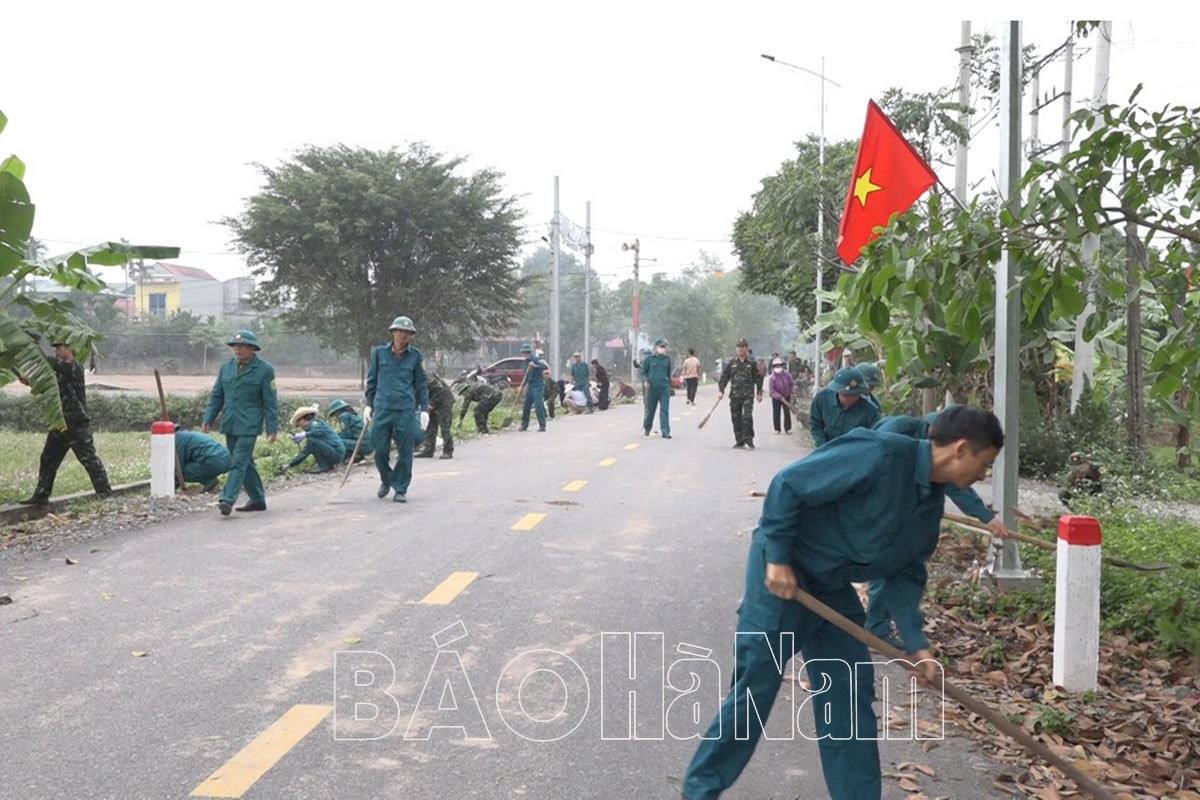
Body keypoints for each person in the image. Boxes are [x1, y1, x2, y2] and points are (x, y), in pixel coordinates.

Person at [682, 406, 1004, 800]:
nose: (983, 475)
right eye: (985, 463)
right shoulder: (878, 453)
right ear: (961, 449)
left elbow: (905, 574)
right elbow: (788, 484)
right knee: (757, 684)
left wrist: (916, 644)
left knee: (849, 690)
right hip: (784, 573)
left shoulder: (928, 508)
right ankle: (699, 790)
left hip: (830, 587)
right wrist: (778, 558)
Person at [866, 408, 1006, 643]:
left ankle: (879, 625)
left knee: (897, 565)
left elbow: (956, 486)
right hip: (877, 510)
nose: (983, 475)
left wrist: (986, 517)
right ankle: (873, 627)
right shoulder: (896, 435)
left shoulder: (939, 461)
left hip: (901, 516)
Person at [18, 341, 113, 505]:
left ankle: (105, 493)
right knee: (48, 458)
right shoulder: (60, 370)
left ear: (70, 349)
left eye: (59, 348)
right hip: (60, 421)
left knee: (88, 458)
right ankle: (41, 495)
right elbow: (47, 383)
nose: (56, 351)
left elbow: (54, 364)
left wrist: (34, 353)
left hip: (75, 422)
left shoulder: (74, 367)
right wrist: (28, 380)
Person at [203, 330, 279, 516]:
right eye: (235, 346)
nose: (237, 349)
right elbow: (217, 395)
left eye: (242, 346)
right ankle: (258, 499)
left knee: (238, 461)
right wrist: (208, 418)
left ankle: (227, 499)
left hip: (250, 424)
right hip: (230, 422)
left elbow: (270, 401)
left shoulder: (265, 370)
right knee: (245, 462)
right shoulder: (226, 368)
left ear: (252, 348)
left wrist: (272, 428)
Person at [364, 316, 430, 503]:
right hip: (383, 408)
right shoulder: (379, 353)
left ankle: (400, 488)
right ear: (393, 332)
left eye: (407, 332)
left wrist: (424, 409)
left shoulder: (416, 356)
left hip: (405, 409)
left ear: (411, 335)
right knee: (379, 449)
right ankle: (387, 479)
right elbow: (372, 380)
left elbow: (421, 384)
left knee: (405, 451)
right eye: (400, 331)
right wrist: (368, 404)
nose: (403, 335)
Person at [808, 367, 880, 447]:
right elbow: (815, 424)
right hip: (826, 447)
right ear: (837, 391)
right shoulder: (822, 398)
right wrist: (823, 446)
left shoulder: (870, 411)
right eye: (846, 395)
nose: (850, 399)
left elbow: (874, 438)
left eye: (855, 395)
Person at [717, 339, 764, 449]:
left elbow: (758, 378)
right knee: (735, 417)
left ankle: (748, 439)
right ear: (736, 349)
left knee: (747, 416)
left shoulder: (752, 363)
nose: (741, 349)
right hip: (735, 395)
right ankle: (739, 440)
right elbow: (724, 377)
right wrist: (721, 390)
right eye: (739, 347)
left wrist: (759, 392)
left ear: (746, 348)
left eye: (743, 347)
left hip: (748, 395)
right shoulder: (732, 363)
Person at [280, 405, 346, 474]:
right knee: (312, 442)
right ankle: (327, 465)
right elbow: (306, 451)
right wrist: (290, 465)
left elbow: (319, 432)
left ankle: (323, 466)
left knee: (311, 441)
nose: (300, 426)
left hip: (337, 453)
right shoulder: (314, 426)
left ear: (302, 420)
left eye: (298, 424)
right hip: (336, 452)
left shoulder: (315, 424)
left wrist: (305, 434)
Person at [173, 427, 231, 492]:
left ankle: (209, 481)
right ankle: (210, 481)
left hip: (213, 461)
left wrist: (172, 485)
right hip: (226, 458)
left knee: (182, 472)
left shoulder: (177, 440)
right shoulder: (185, 435)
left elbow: (178, 468)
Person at [416, 373, 455, 459]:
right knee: (430, 426)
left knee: (444, 426)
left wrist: (432, 405)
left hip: (444, 400)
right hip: (431, 399)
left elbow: (439, 390)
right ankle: (428, 450)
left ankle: (448, 451)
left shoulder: (425, 376)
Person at [640, 337, 672, 439]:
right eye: (661, 346)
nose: (663, 349)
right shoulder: (649, 359)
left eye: (664, 347)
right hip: (652, 388)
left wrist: (670, 387)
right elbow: (643, 373)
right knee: (650, 410)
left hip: (664, 388)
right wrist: (645, 381)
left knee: (664, 410)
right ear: (656, 347)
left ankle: (665, 431)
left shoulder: (667, 359)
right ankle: (647, 429)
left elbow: (669, 374)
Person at [518, 343, 550, 432]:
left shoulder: (536, 359)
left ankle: (542, 425)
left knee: (538, 404)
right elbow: (526, 376)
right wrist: (522, 386)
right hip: (530, 385)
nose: (525, 355)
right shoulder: (525, 363)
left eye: (526, 353)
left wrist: (535, 366)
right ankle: (524, 425)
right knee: (526, 405)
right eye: (523, 353)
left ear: (529, 352)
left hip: (538, 384)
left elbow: (545, 367)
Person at [767, 357, 795, 435]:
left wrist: (793, 393)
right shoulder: (772, 378)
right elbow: (772, 391)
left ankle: (788, 428)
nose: (778, 367)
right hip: (776, 398)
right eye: (776, 366)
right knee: (776, 413)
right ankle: (777, 429)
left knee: (787, 412)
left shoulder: (787, 374)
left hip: (786, 395)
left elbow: (792, 384)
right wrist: (780, 397)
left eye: (779, 365)